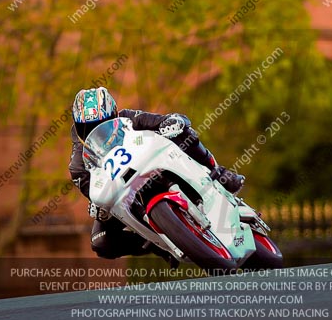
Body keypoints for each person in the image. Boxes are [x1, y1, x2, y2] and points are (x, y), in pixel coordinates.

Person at [69, 87, 244, 260]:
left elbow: (163, 121)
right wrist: (98, 206)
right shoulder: (78, 164)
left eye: (104, 122)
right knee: (100, 242)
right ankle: (161, 243)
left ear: (114, 114)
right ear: (77, 127)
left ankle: (218, 173)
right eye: (88, 127)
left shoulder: (128, 118)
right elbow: (93, 192)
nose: (98, 129)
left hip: (153, 165)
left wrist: (172, 122)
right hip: (123, 193)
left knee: (183, 133)